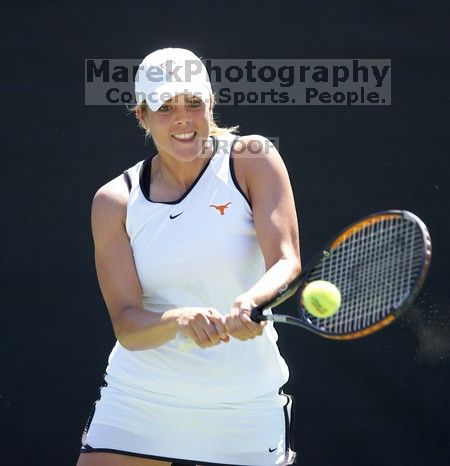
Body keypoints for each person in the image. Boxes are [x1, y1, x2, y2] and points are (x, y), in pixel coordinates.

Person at [77, 48, 301, 466]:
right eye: (165, 107)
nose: (183, 118)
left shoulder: (253, 158)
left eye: (194, 103)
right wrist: (181, 319)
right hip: (140, 400)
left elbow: (286, 262)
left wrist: (250, 302)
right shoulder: (114, 202)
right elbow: (127, 324)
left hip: (243, 404)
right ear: (141, 115)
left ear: (210, 105)